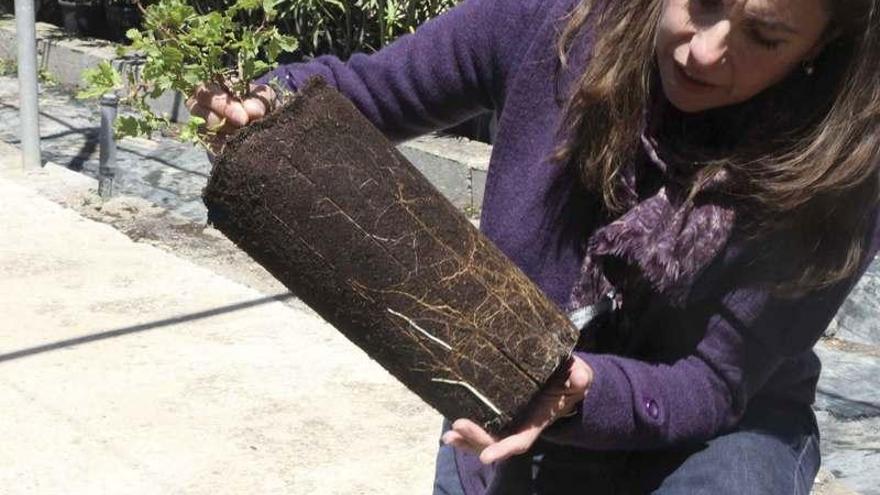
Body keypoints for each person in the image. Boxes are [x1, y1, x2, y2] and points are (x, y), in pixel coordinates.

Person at [186, 0, 880, 492]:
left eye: (763, 35)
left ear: (820, 46)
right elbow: (366, 90)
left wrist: (587, 392)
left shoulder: (838, 170)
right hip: (510, 393)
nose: (704, 49)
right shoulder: (554, 25)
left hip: (705, 439)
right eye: (701, 1)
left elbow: (714, 382)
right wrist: (264, 106)